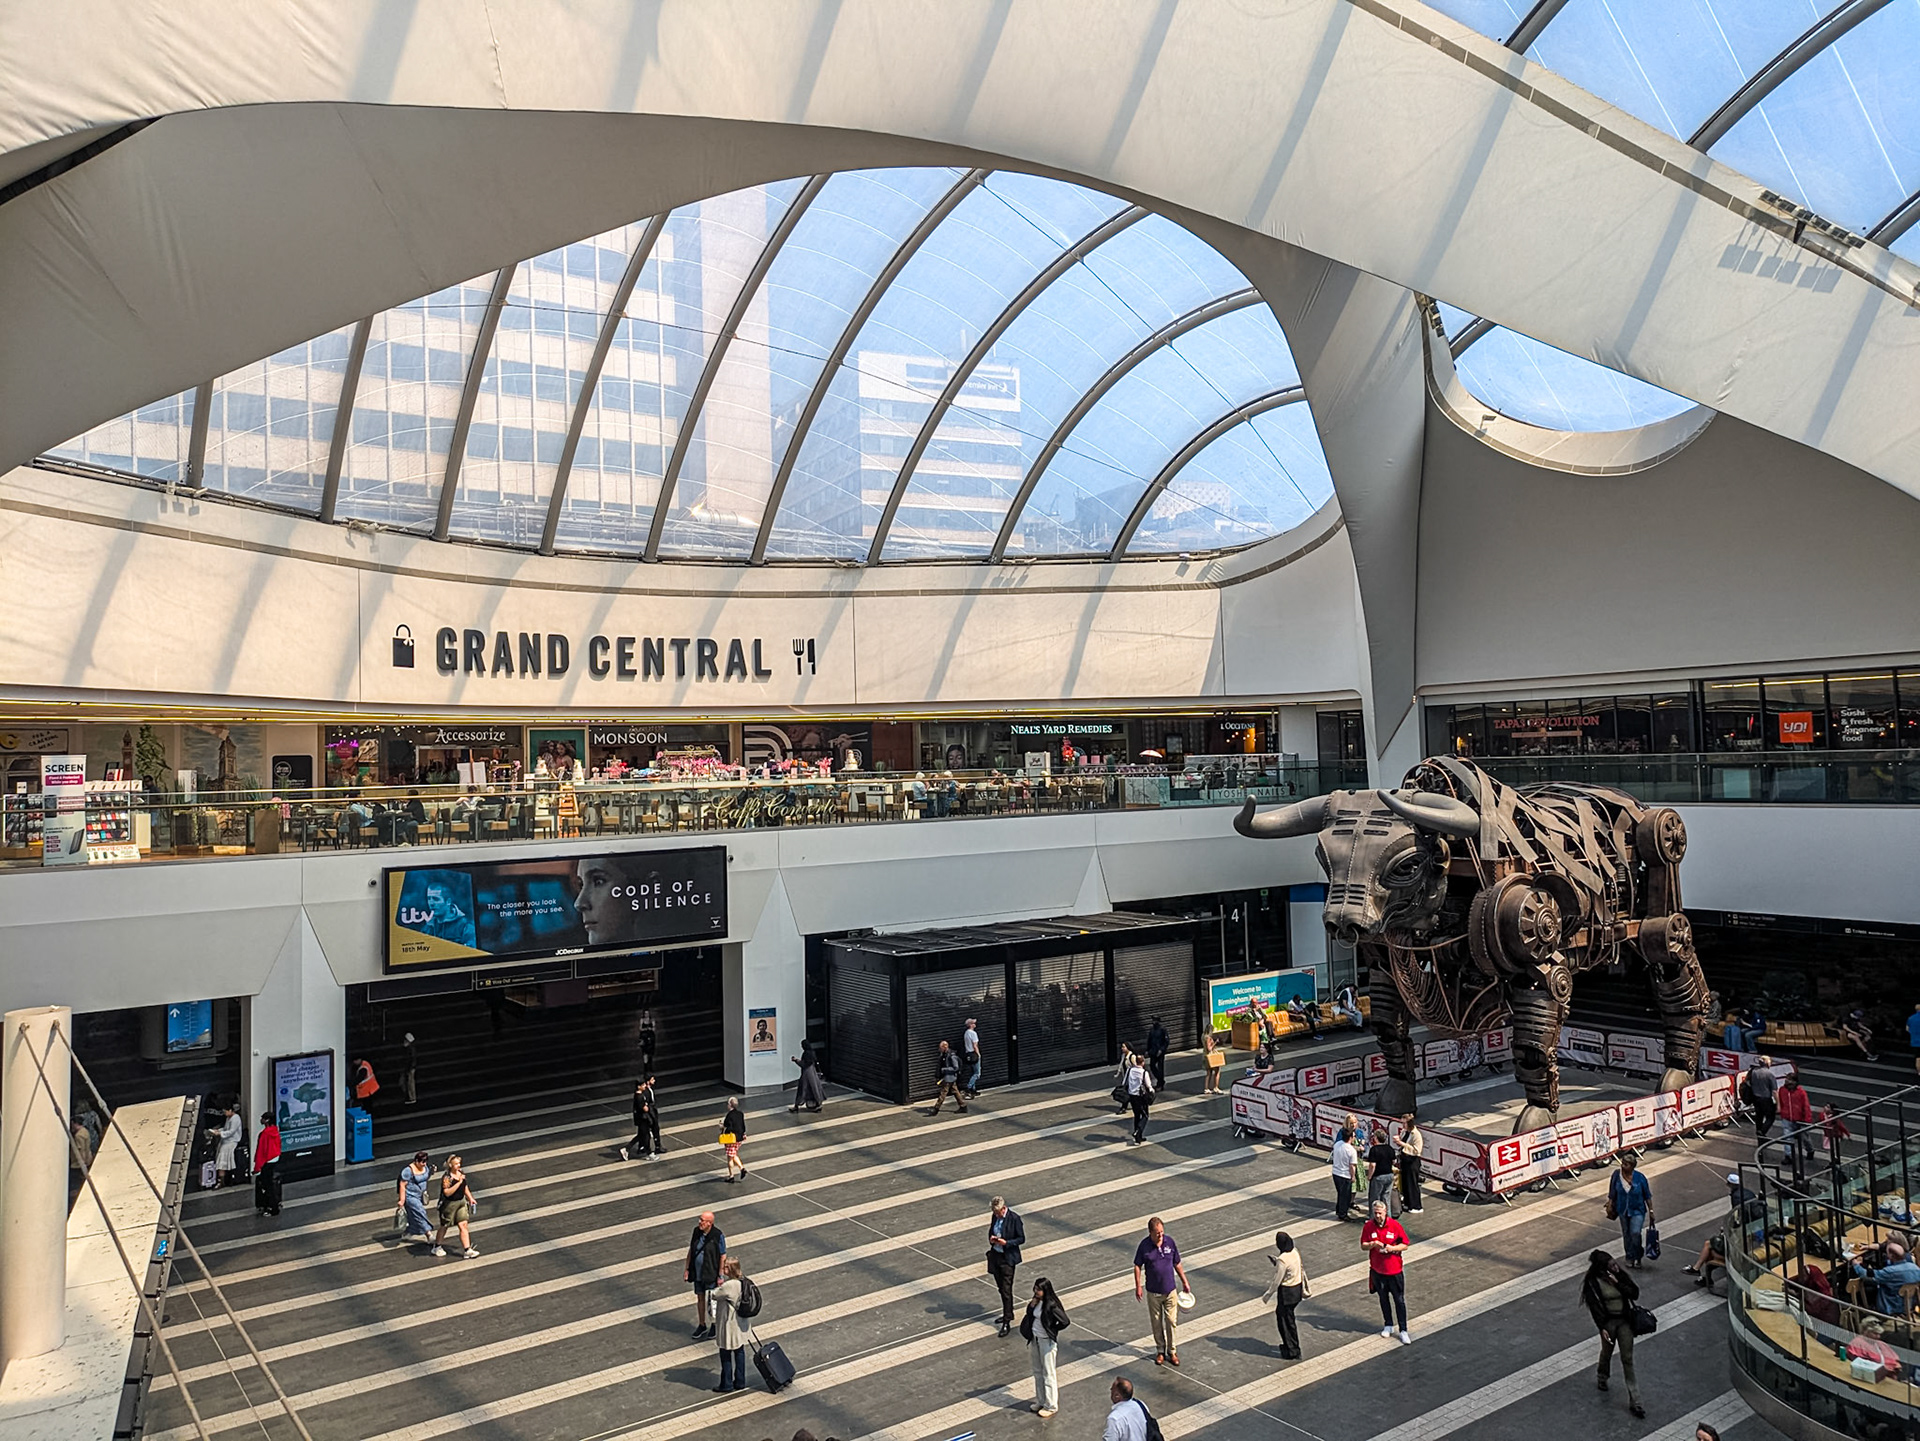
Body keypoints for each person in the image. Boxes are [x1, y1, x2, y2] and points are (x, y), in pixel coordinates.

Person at [1581, 1250, 1645, 1418]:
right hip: (1608, 1324)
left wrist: (1618, 1283)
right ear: (1602, 1268)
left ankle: (1635, 1400)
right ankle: (1602, 1374)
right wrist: (1602, 1327)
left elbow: (1634, 1293)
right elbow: (1595, 1309)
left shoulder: (1619, 1276)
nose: (1615, 1266)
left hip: (1624, 1321)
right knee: (1607, 1352)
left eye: (1614, 1263)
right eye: (1610, 1265)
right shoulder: (1593, 1283)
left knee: (1627, 1358)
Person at [1132, 1217, 1190, 1367]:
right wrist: (1138, 1286)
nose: (1160, 1236)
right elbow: (1137, 1265)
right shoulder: (1144, 1246)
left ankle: (1172, 1351)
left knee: (1171, 1321)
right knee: (1156, 1323)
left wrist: (1184, 1281)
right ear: (1150, 1232)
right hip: (1153, 1293)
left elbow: (1177, 1263)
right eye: (1157, 1233)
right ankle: (1160, 1350)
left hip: (1170, 1290)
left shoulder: (1169, 1242)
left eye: (1162, 1232)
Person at [1361, 1198, 1412, 1343]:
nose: (1378, 1216)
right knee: (1383, 1299)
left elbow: (1405, 1244)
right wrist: (1372, 1244)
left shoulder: (1394, 1226)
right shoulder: (1369, 1227)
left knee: (1399, 1300)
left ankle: (1403, 1329)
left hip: (1394, 1271)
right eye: (1375, 1213)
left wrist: (1393, 1248)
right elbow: (1363, 1245)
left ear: (1385, 1211)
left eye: (1380, 1213)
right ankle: (1388, 1324)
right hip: (1378, 1271)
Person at [1020, 1276, 1070, 1417]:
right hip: (1035, 1339)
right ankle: (1041, 1401)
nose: (1036, 1292)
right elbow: (1030, 1316)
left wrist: (1053, 1329)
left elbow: (1065, 1321)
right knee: (1037, 1371)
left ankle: (1051, 1405)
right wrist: (1031, 1306)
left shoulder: (1051, 1304)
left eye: (1039, 1289)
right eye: (1035, 1289)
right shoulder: (1036, 1302)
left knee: (1048, 1373)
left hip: (1046, 1341)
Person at [1262, 1230, 1311, 1359]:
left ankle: (1292, 1349)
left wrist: (1268, 1294)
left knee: (1284, 1321)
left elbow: (1277, 1279)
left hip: (1287, 1293)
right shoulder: (1294, 1252)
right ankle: (1292, 1346)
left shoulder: (1283, 1259)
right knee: (1289, 1319)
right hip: (1297, 1289)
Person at [987, 1195, 1027, 1336]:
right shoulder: (994, 1217)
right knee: (1000, 1288)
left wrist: (1007, 1243)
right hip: (996, 1255)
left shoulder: (1014, 1218)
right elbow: (991, 1231)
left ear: (1003, 1208)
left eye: (997, 1213)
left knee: (1006, 1289)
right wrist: (992, 1239)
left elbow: (1021, 1238)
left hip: (1007, 1258)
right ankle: (1007, 1313)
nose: (996, 1215)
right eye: (994, 1213)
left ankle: (1007, 1320)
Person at [430, 1153, 479, 1258]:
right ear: (451, 1165)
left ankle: (467, 1249)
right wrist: (458, 1183)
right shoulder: (447, 1178)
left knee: (463, 1225)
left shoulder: (461, 1173)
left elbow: (465, 1186)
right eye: (456, 1164)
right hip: (449, 1204)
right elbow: (447, 1192)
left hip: (461, 1202)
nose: (459, 1165)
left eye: (459, 1163)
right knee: (445, 1225)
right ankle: (437, 1246)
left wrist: (470, 1198)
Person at [686, 1211, 726, 1340]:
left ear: (709, 1223)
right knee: (700, 1298)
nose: (699, 1222)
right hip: (697, 1273)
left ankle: (714, 1324)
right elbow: (691, 1251)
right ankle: (702, 1324)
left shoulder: (717, 1235)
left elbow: (722, 1255)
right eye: (699, 1219)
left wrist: (720, 1275)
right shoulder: (696, 1232)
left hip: (710, 1273)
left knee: (711, 1300)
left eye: (702, 1220)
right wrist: (687, 1269)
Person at [1608, 1154, 1653, 1268]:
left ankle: (1638, 1255)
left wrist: (1651, 1210)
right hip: (1622, 1209)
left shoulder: (1640, 1178)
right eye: (1622, 1163)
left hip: (1637, 1210)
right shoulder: (1616, 1176)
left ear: (1632, 1166)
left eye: (1626, 1164)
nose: (1623, 1166)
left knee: (1635, 1232)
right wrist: (1610, 1204)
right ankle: (1629, 1256)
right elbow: (1612, 1192)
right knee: (1626, 1234)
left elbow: (1647, 1195)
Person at [711, 1255, 748, 1393]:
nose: (723, 1268)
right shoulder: (743, 1281)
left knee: (725, 1352)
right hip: (740, 1322)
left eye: (726, 1266)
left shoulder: (728, 1286)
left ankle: (726, 1383)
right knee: (739, 1352)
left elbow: (714, 1294)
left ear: (731, 1269)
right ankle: (740, 1381)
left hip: (729, 1324)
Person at [1777, 1073, 1816, 1168]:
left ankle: (1810, 1150)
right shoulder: (1782, 1090)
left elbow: (1806, 1106)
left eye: (1790, 1079)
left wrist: (1807, 1119)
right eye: (1787, 1079)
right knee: (1787, 1137)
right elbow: (1782, 1102)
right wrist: (1782, 1113)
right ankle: (1788, 1155)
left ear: (1795, 1082)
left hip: (1800, 1119)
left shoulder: (1801, 1092)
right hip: (1787, 1118)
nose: (1787, 1081)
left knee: (1805, 1137)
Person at [395, 1150, 435, 1241]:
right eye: (422, 1162)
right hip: (410, 1196)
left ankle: (409, 1231)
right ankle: (429, 1234)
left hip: (420, 1195)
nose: (424, 1164)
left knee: (414, 1215)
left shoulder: (425, 1168)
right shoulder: (408, 1171)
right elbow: (402, 1185)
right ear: (416, 1161)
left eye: (425, 1161)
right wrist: (402, 1199)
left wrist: (431, 1172)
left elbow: (425, 1178)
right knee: (420, 1212)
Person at [621, 1076, 662, 1161]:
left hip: (642, 1119)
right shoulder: (639, 1097)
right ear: (638, 1086)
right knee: (645, 1136)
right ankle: (649, 1153)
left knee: (641, 1135)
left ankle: (627, 1149)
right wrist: (646, 1105)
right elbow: (645, 1108)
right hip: (643, 1119)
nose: (644, 1086)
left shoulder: (639, 1095)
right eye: (643, 1085)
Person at [253, 1111, 283, 1217]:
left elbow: (262, 1151)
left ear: (267, 1120)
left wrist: (257, 1167)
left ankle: (272, 1208)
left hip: (266, 1161)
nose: (261, 1120)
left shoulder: (265, 1134)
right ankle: (275, 1203)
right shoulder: (275, 1130)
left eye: (263, 1118)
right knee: (272, 1184)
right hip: (274, 1158)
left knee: (267, 1185)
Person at [207, 1104, 243, 1188]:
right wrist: (218, 1131)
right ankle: (222, 1178)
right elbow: (226, 1129)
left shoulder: (236, 1118)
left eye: (225, 1111)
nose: (224, 1113)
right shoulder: (228, 1118)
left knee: (222, 1158)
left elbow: (231, 1131)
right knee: (220, 1154)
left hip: (232, 1141)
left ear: (230, 1110)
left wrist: (220, 1133)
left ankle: (221, 1180)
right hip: (225, 1140)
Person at [1124, 1048, 1155, 1146]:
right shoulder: (1144, 1073)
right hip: (1141, 1096)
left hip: (1132, 1096)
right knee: (1145, 1116)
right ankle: (1138, 1131)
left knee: (1137, 1115)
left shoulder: (1130, 1070)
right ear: (1143, 1062)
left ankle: (1138, 1138)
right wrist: (1152, 1092)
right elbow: (1149, 1086)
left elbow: (1125, 1082)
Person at [1104, 1377, 1150, 1441]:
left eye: (1112, 1389)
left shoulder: (1114, 1418)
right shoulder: (1141, 1405)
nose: (1111, 1391)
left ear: (1117, 1396)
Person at [1366, 1126, 1398, 1217]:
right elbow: (1394, 1161)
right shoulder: (1389, 1148)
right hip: (1389, 1175)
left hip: (1378, 1176)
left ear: (1376, 1138)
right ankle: (1388, 1217)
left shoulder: (1374, 1150)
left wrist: (1369, 1176)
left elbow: (1372, 1165)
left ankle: (1373, 1218)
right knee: (1386, 1197)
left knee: (1374, 1199)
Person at [931, 1040, 967, 1115]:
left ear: (945, 1047)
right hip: (949, 1077)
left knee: (943, 1093)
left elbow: (955, 1067)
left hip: (949, 1077)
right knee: (955, 1091)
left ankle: (936, 1108)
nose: (939, 1049)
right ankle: (963, 1106)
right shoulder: (944, 1054)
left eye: (940, 1047)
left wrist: (944, 1070)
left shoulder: (951, 1056)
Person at [1744, 1057, 1777, 1138]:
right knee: (1770, 1117)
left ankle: (1759, 1132)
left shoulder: (1754, 1072)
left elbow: (1748, 1082)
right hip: (1766, 1098)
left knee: (1759, 1116)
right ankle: (1762, 1131)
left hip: (1756, 1097)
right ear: (1768, 1064)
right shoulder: (1770, 1075)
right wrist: (1778, 1103)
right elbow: (1774, 1091)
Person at [1398, 1115, 1425, 1214]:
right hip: (1405, 1159)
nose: (1402, 1125)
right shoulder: (1404, 1132)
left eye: (1404, 1123)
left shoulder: (1416, 1134)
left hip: (1413, 1160)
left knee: (1412, 1183)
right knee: (1405, 1182)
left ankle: (1416, 1205)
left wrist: (1402, 1144)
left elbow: (1417, 1150)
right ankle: (1407, 1203)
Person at [790, 1038, 827, 1112]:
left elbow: (804, 1064)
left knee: (802, 1089)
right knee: (815, 1088)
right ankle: (818, 1103)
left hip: (806, 1073)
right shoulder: (812, 1053)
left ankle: (796, 1106)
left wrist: (796, 1060)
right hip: (812, 1072)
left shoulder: (806, 1053)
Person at [1331, 1127, 1358, 1221]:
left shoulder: (1337, 1144)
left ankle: (1339, 1210)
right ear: (1350, 1137)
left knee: (1340, 1193)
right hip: (1345, 1174)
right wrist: (1353, 1176)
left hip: (1335, 1173)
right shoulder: (1351, 1151)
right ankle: (1343, 1213)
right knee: (1345, 1196)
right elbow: (1352, 1166)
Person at [720, 1095, 748, 1183]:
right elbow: (743, 1126)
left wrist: (721, 1126)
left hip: (731, 1138)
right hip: (740, 1138)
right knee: (733, 1154)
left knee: (730, 1158)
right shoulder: (740, 1114)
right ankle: (742, 1169)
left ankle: (731, 1176)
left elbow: (726, 1126)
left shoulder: (729, 1115)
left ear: (730, 1105)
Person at [1145, 1016, 1169, 1089]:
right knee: (1152, 1066)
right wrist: (1147, 1050)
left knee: (1160, 1067)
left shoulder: (1162, 1030)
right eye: (1153, 1020)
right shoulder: (1152, 1030)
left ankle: (1160, 1084)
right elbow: (1149, 1040)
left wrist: (1161, 1050)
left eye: (1155, 1021)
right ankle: (1160, 1080)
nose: (1153, 1022)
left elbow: (1166, 1041)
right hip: (1153, 1051)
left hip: (1160, 1052)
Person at [962, 1017, 982, 1096]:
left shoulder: (966, 1033)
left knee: (972, 1072)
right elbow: (975, 1045)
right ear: (970, 1025)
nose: (975, 1024)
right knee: (977, 1073)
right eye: (973, 1023)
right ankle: (969, 1087)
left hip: (968, 1054)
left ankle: (973, 1090)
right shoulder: (973, 1033)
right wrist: (978, 1054)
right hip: (974, 1054)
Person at [400, 1031, 418, 1106]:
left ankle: (412, 1097)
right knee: (409, 1083)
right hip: (410, 1068)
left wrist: (409, 1068)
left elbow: (411, 1060)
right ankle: (411, 1097)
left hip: (410, 1068)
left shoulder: (410, 1050)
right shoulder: (410, 1049)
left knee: (410, 1083)